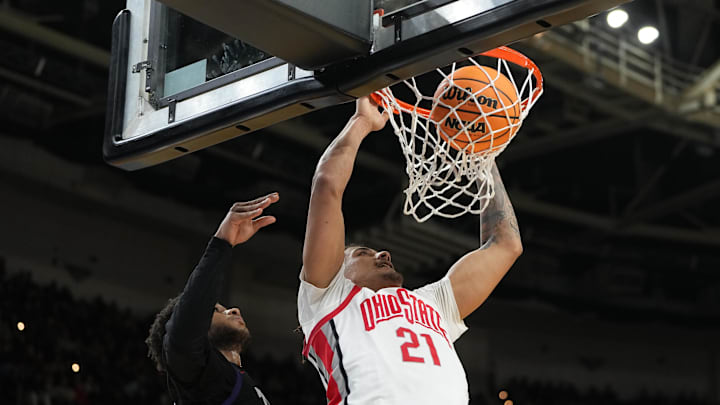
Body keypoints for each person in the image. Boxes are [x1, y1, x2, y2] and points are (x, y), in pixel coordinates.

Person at [298, 97, 523, 404]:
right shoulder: (328, 297)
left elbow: (506, 246)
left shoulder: (433, 303)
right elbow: (327, 185)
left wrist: (484, 157)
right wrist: (361, 122)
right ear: (338, 270)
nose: (383, 254)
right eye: (363, 252)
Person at [146, 193, 279, 405]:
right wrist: (222, 243)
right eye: (217, 310)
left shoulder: (233, 379)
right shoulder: (198, 378)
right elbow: (184, 328)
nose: (233, 310)